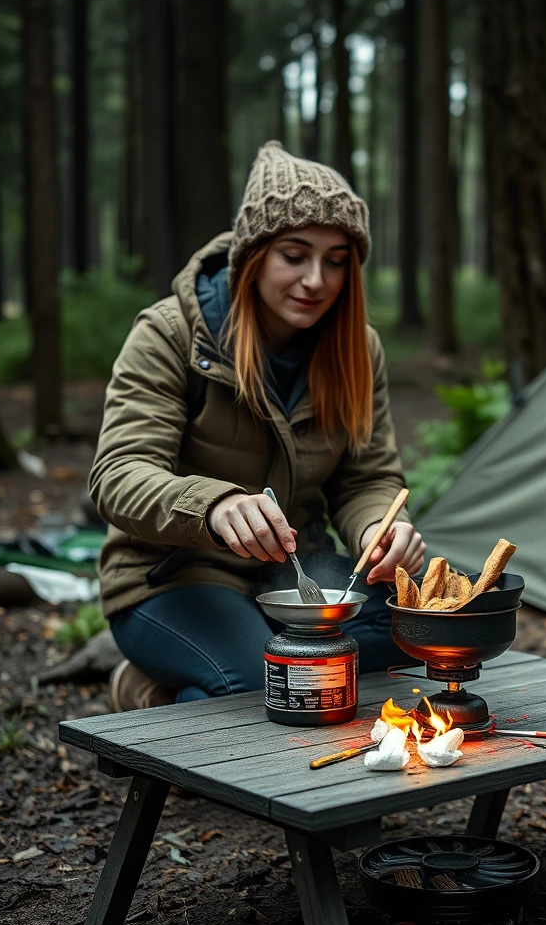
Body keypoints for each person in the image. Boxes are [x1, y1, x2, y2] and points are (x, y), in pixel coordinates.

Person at [90, 142, 426, 711]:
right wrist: (214, 506)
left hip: (298, 577)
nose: (316, 280)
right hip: (171, 577)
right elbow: (117, 476)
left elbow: (367, 479)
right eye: (294, 255)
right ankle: (146, 688)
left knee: (425, 634)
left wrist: (377, 531)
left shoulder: (357, 350)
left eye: (336, 260)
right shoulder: (171, 335)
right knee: (266, 684)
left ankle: (201, 683)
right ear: (253, 255)